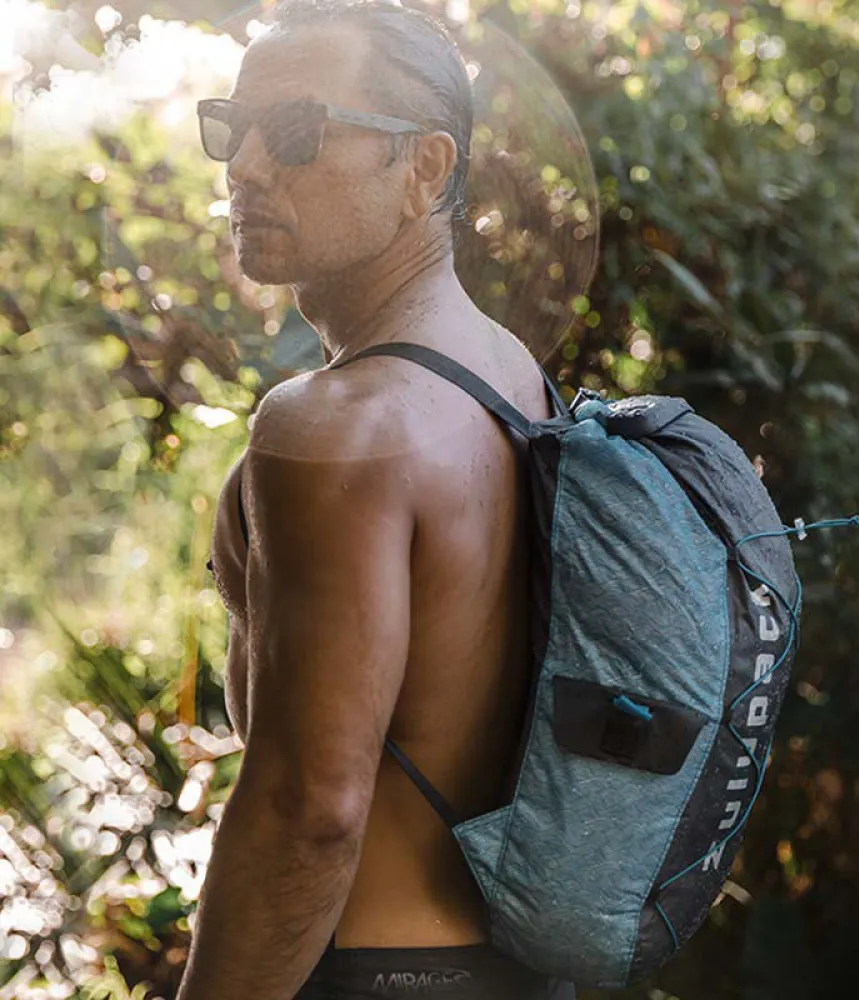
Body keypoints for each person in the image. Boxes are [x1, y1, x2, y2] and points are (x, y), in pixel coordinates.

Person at [177, 2, 574, 998]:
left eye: (297, 130)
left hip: (373, 971)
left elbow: (307, 810)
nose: (245, 167)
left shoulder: (333, 424)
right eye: (236, 127)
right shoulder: (510, 374)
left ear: (425, 171)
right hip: (518, 971)